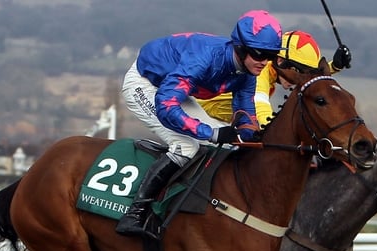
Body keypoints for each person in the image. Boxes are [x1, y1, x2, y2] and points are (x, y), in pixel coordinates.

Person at [116, 10, 283, 237]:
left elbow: (245, 111)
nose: (264, 62)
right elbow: (166, 105)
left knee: (223, 144)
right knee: (187, 146)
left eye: (270, 56)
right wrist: (212, 133)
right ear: (241, 48)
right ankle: (135, 213)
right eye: (259, 54)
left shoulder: (247, 72)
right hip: (147, 84)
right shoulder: (204, 59)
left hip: (173, 88)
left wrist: (251, 133)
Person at [198, 30, 353, 126]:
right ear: (280, 61)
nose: (297, 79)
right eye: (297, 72)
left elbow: (309, 81)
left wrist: (335, 66)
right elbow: (260, 110)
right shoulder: (259, 73)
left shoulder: (273, 69)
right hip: (198, 112)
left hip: (221, 118)